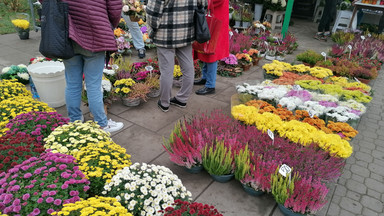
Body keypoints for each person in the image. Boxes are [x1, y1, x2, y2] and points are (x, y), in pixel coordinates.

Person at [61, 0, 124, 133]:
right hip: (94, 32)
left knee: (72, 84)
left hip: (67, 34)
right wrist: (109, 23)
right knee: (93, 85)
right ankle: (102, 123)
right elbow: (114, 8)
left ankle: (75, 120)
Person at [146, 0, 201, 112]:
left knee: (166, 71)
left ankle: (165, 102)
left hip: (165, 35)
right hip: (187, 32)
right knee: (188, 68)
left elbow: (153, 12)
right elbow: (202, 5)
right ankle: (182, 99)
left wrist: (152, 31)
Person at [194, 0, 229, 95]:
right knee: (207, 50)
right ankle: (205, 78)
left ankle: (210, 85)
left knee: (211, 53)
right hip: (214, 18)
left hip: (216, 20)